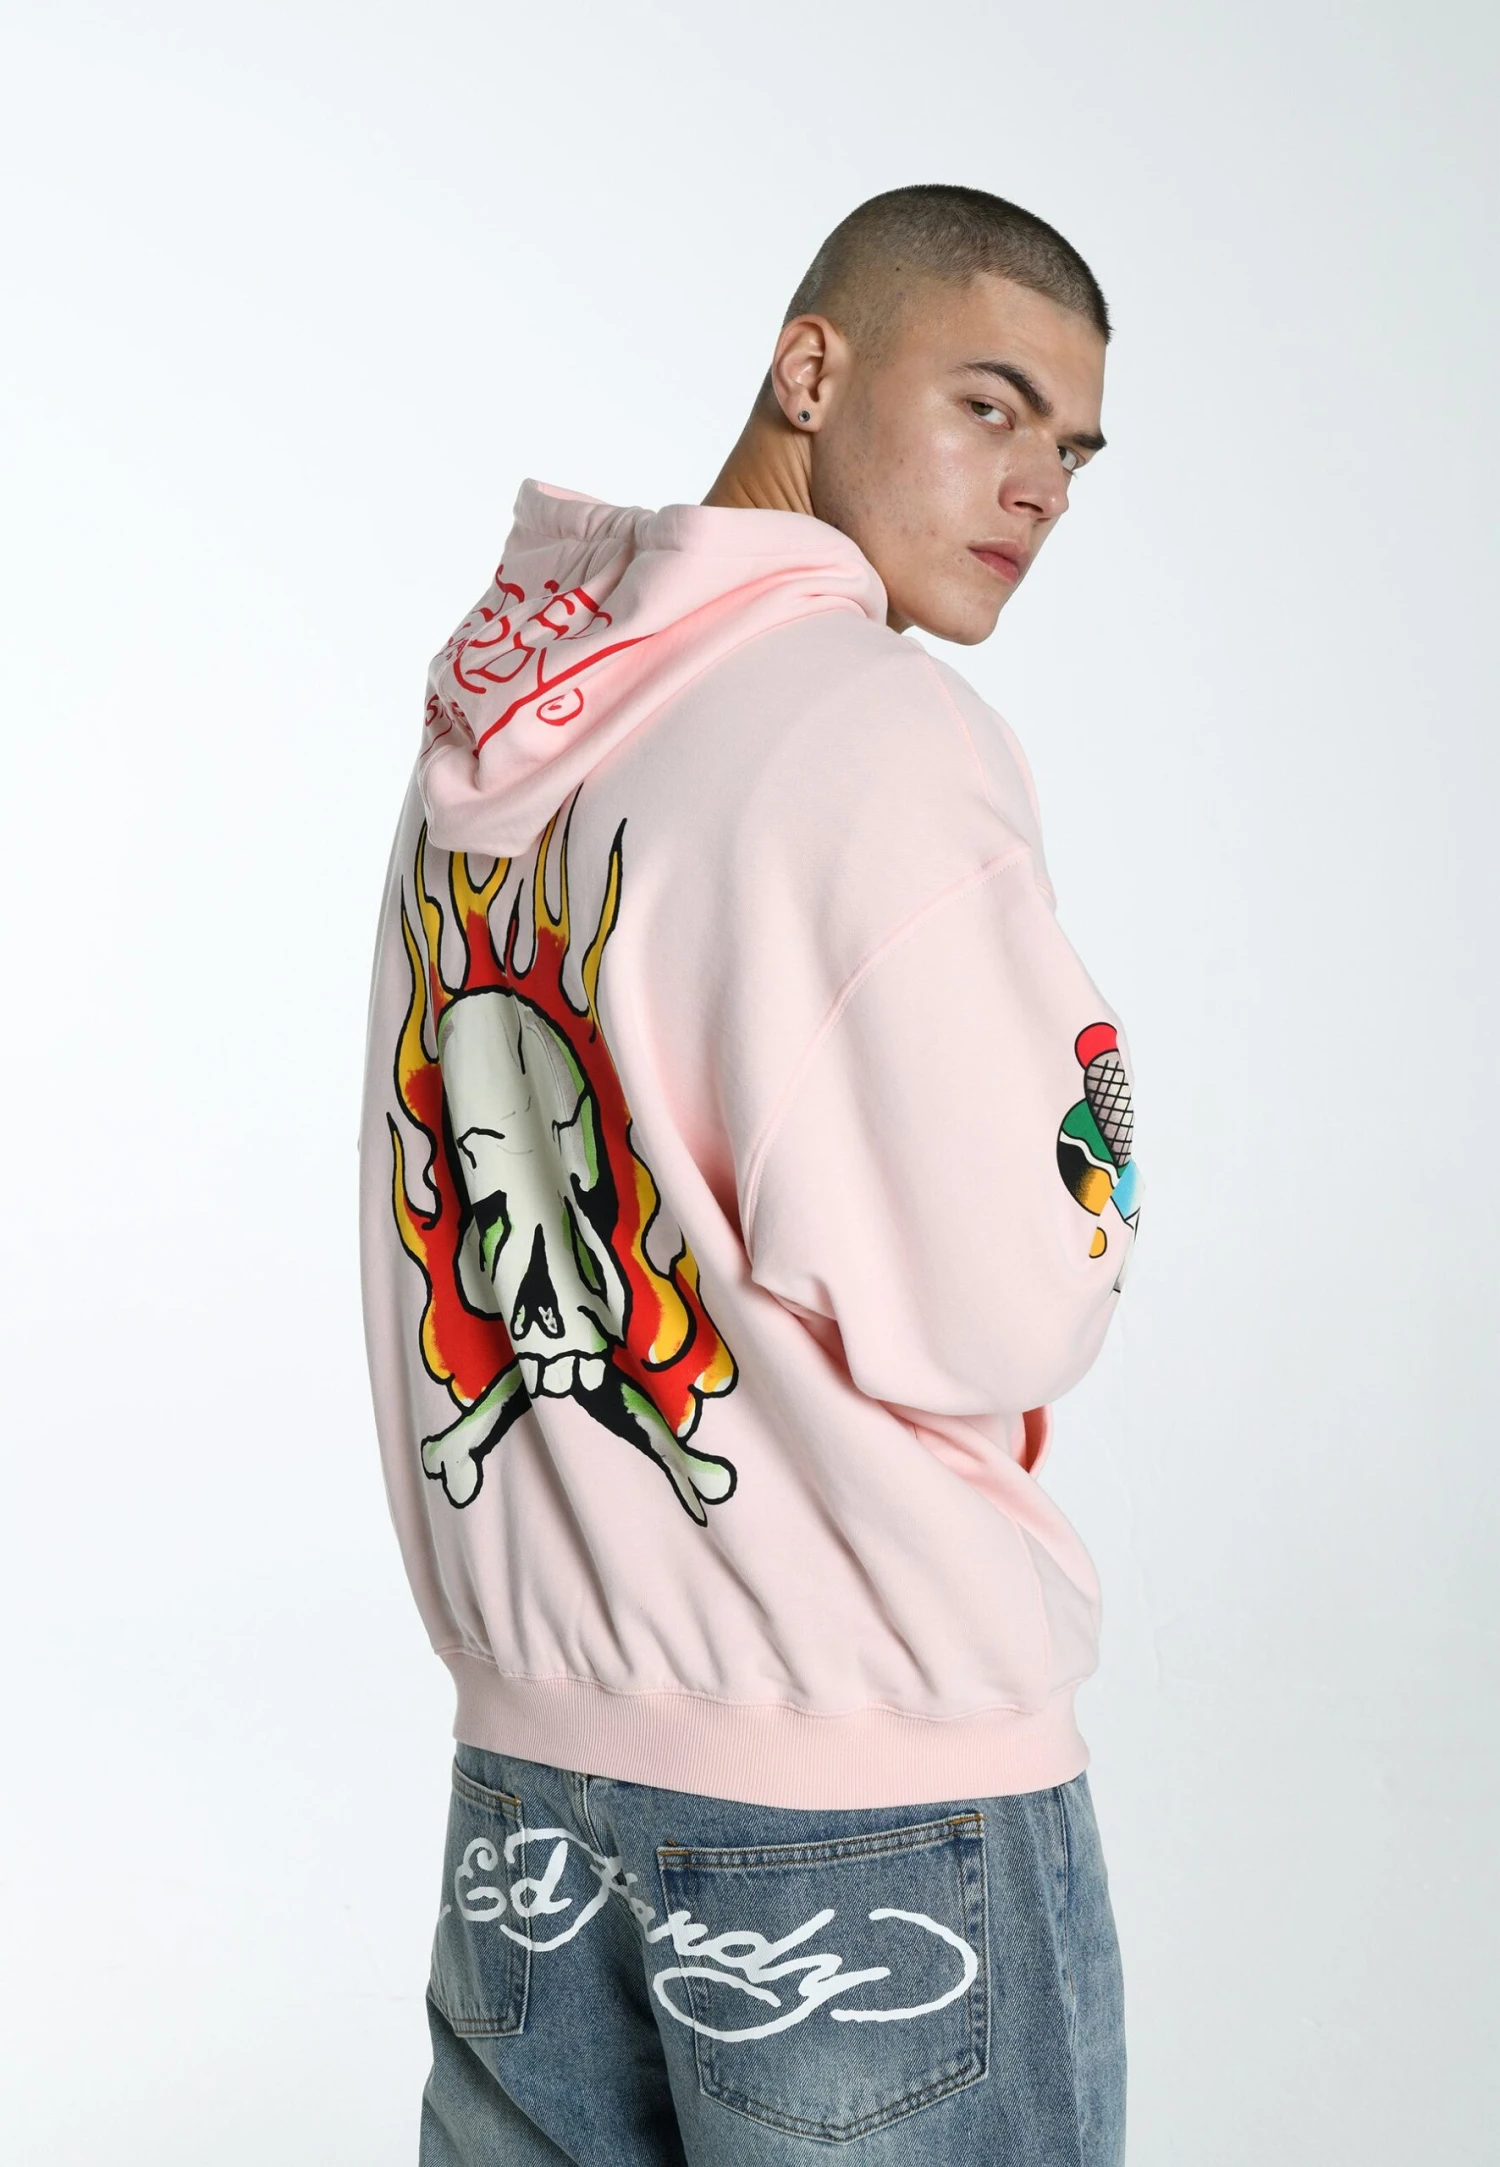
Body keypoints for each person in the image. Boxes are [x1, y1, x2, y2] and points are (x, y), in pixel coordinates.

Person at [358, 181, 1144, 2166]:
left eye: (1072, 449)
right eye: (989, 405)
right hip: (861, 1798)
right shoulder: (872, 729)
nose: (1037, 487)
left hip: (534, 1790)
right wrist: (1100, 1138)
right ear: (813, 366)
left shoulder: (498, 744)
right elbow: (1005, 1297)